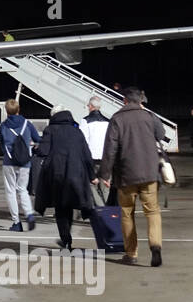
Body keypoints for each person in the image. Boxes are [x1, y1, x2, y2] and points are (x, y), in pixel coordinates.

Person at [99, 87, 167, 266]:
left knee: (127, 213)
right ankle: (155, 246)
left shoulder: (117, 119)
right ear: (140, 101)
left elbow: (110, 149)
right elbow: (161, 135)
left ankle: (131, 253)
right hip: (150, 173)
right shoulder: (150, 116)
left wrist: (105, 174)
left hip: (126, 175)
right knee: (152, 211)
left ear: (124, 100)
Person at [34, 108, 96, 252]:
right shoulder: (77, 131)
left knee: (60, 207)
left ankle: (66, 239)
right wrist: (92, 176)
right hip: (76, 174)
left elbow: (43, 151)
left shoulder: (50, 130)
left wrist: (36, 148)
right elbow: (87, 154)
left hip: (57, 174)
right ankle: (67, 238)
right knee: (70, 206)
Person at [0, 98, 41, 232]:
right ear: (18, 109)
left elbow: (1, 145)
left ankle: (16, 222)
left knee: (10, 191)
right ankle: (29, 213)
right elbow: (37, 139)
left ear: (6, 111)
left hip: (9, 162)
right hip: (25, 162)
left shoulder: (3, 126)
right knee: (22, 189)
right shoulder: (27, 124)